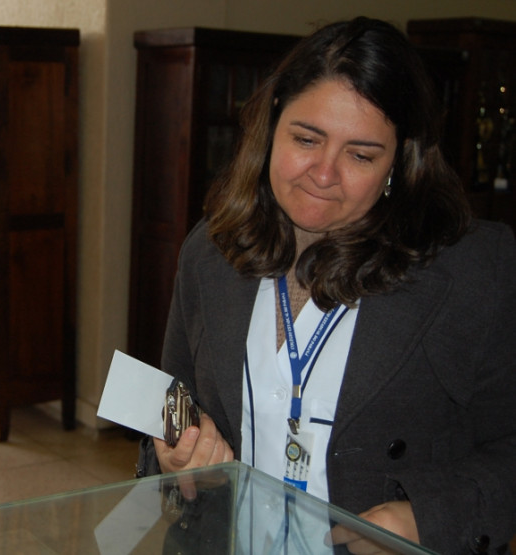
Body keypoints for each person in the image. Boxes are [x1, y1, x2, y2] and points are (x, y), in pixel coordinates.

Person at [136, 16, 516, 554]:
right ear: (271, 128)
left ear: (399, 162)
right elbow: (169, 409)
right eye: (306, 138)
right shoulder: (209, 252)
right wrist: (172, 453)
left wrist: (428, 518)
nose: (323, 172)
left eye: (361, 154)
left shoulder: (476, 269)